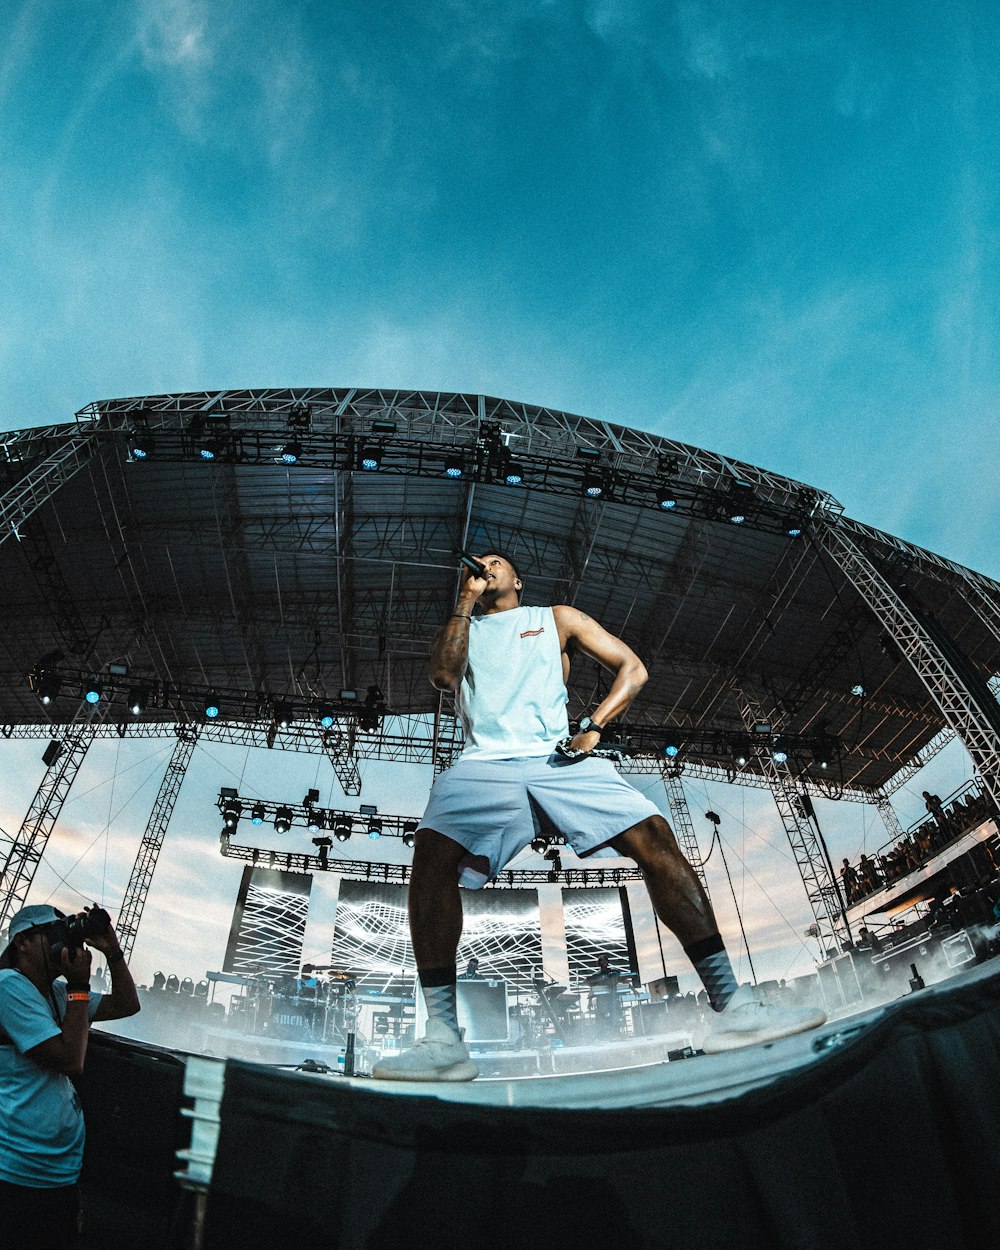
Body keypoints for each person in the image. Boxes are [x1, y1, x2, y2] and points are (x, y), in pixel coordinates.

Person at [373, 553, 826, 1081]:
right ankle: (444, 1039)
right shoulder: (463, 625)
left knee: (654, 837)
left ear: (518, 580)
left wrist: (595, 723)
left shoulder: (555, 618)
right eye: (481, 564)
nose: (486, 566)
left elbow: (634, 669)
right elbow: (444, 675)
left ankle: (735, 1007)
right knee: (429, 859)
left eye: (498, 563)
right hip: (483, 765)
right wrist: (465, 600)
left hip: (555, 757)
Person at [0, 903, 141, 1248]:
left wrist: (112, 951)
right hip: (16, 1172)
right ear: (22, 942)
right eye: (52, 933)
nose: (61, 942)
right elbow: (69, 1060)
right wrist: (78, 985)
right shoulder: (7, 987)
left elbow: (126, 1004)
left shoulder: (57, 993)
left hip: (55, 1172)